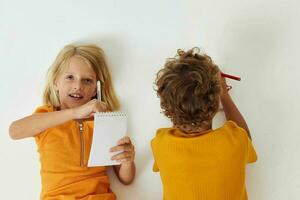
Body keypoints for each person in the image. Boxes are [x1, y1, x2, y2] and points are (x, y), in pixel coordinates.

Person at [9, 44, 135, 200]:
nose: (78, 86)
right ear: (56, 82)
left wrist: (127, 161)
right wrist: (75, 112)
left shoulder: (105, 120)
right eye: (70, 77)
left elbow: (126, 179)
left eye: (87, 80)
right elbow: (14, 131)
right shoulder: (47, 117)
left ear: (96, 89)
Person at [151, 47, 257, 200]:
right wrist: (225, 96)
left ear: (167, 109)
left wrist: (180, 103)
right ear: (215, 105)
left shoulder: (161, 143)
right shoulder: (235, 141)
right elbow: (246, 138)